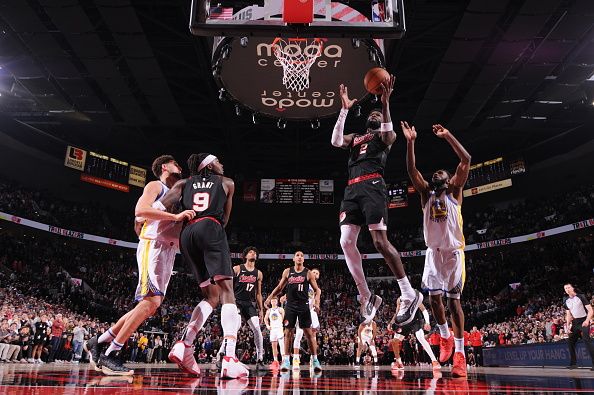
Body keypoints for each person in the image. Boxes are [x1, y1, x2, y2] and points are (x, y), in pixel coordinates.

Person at [85, 155, 194, 376]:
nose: (179, 167)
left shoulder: (178, 193)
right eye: (175, 163)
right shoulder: (156, 185)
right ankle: (111, 354)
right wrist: (175, 216)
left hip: (167, 251)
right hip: (152, 246)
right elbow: (140, 211)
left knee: (150, 305)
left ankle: (98, 341)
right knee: (150, 302)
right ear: (164, 167)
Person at [331, 79, 422, 325]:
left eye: (377, 114)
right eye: (371, 113)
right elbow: (336, 141)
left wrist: (385, 104)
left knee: (380, 242)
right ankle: (367, 296)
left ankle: (408, 293)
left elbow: (390, 133)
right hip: (351, 190)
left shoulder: (383, 137)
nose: (374, 115)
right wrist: (344, 110)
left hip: (372, 185)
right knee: (345, 241)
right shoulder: (357, 138)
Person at [163, 153, 248, 379]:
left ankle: (185, 343)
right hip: (210, 227)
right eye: (218, 161)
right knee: (227, 291)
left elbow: (158, 206)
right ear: (209, 165)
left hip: (187, 233)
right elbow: (225, 220)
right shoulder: (227, 182)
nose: (222, 163)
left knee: (210, 296)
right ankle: (230, 357)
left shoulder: (183, 183)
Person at [402, 121, 471, 378]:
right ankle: (444, 337)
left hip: (453, 254)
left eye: (442, 172)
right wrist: (410, 142)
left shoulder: (455, 192)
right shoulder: (425, 195)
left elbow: (466, 159)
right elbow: (411, 170)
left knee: (454, 304)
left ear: (449, 178)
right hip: (433, 253)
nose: (438, 174)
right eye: (436, 173)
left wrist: (448, 135)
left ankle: (460, 355)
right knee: (433, 298)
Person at [264, 251, 322, 372]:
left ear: (303, 260)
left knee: (309, 334)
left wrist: (317, 303)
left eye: (302, 256)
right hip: (290, 306)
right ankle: (286, 360)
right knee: (288, 332)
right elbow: (280, 287)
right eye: (297, 255)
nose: (300, 257)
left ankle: (315, 360)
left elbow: (317, 290)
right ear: (294, 259)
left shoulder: (308, 273)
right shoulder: (288, 271)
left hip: (304, 305)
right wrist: (270, 297)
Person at [217, 246, 265, 369]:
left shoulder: (258, 273)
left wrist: (261, 310)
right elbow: (228, 287)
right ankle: (221, 353)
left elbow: (258, 294)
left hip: (249, 303)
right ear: (245, 256)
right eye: (250, 252)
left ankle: (260, 359)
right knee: (234, 328)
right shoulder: (237, 269)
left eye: (255, 252)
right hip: (236, 302)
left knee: (257, 329)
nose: (253, 253)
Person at [389, 298, 440, 373]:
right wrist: (391, 322)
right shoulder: (399, 299)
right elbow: (397, 312)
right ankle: (399, 362)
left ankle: (434, 361)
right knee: (394, 341)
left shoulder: (415, 296)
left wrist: (427, 322)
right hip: (404, 322)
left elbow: (423, 310)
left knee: (421, 338)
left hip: (415, 321)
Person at [293, 268, 322, 370]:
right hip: (301, 310)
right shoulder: (302, 282)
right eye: (313, 272)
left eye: (317, 273)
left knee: (313, 337)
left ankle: (313, 359)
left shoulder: (317, 289)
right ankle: (296, 360)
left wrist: (317, 305)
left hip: (311, 312)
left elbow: (317, 300)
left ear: (318, 276)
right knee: (299, 334)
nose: (315, 274)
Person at [563, 283, 594, 370]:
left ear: (572, 288)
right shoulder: (566, 300)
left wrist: (587, 320)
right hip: (575, 323)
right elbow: (568, 314)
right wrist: (568, 325)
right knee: (570, 341)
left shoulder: (581, 297)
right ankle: (573, 364)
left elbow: (590, 310)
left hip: (583, 320)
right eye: (565, 288)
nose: (567, 289)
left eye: (569, 287)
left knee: (586, 339)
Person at [264, 296, 285, 369]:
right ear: (270, 302)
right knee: (274, 346)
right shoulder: (269, 311)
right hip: (273, 329)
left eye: (275, 300)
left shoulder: (280, 309)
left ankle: (284, 360)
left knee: (282, 345)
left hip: (279, 328)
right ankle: (275, 361)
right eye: (272, 301)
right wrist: (267, 325)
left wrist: (284, 327)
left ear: (277, 301)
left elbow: (284, 318)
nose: (273, 302)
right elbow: (265, 319)